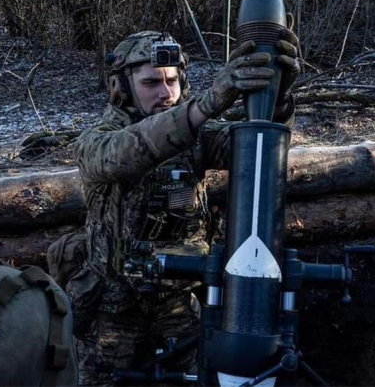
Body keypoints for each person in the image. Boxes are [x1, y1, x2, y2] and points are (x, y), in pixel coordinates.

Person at [68, 23, 300, 386]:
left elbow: (257, 152)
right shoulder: (96, 141)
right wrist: (203, 106)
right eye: (150, 83)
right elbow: (127, 153)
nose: (165, 93)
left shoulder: (198, 135)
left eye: (172, 81)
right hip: (114, 307)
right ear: (122, 87)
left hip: (182, 302)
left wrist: (278, 98)